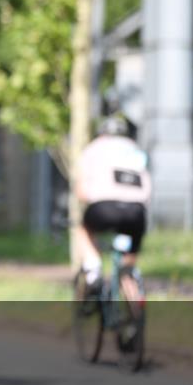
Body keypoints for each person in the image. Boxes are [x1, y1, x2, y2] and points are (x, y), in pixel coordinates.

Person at [75, 116, 151, 302]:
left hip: (104, 208)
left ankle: (93, 270)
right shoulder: (135, 150)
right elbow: (146, 189)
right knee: (127, 263)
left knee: (83, 229)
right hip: (136, 212)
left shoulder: (93, 149)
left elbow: (82, 191)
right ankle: (134, 300)